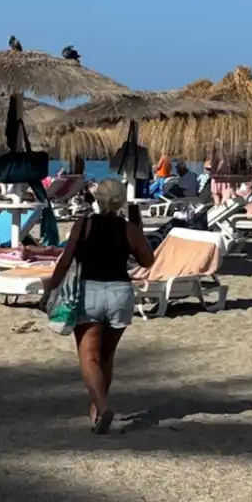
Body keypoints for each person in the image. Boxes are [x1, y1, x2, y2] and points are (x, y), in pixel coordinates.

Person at [45, 179, 156, 434]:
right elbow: (147, 260)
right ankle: (97, 410)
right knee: (106, 356)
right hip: (120, 292)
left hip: (90, 290)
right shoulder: (129, 229)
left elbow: (65, 260)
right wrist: (136, 232)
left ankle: (102, 407)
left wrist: (51, 289)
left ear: (97, 199)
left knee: (89, 356)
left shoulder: (84, 224)